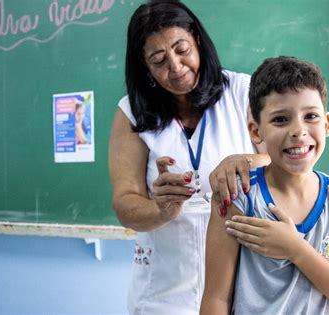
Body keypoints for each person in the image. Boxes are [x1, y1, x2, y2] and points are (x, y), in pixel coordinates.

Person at [108, 1, 268, 314]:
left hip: (239, 283)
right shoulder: (131, 113)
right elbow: (125, 204)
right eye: (158, 60)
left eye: (182, 49)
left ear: (197, 40)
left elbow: (283, 164)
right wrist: (159, 208)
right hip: (163, 292)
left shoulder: (242, 92)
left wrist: (247, 161)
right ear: (145, 68)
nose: (176, 66)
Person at [201, 56, 329, 314]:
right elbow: (216, 300)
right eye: (281, 119)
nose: (298, 131)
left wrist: (296, 249)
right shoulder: (239, 196)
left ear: (326, 124)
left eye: (310, 116)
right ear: (256, 131)